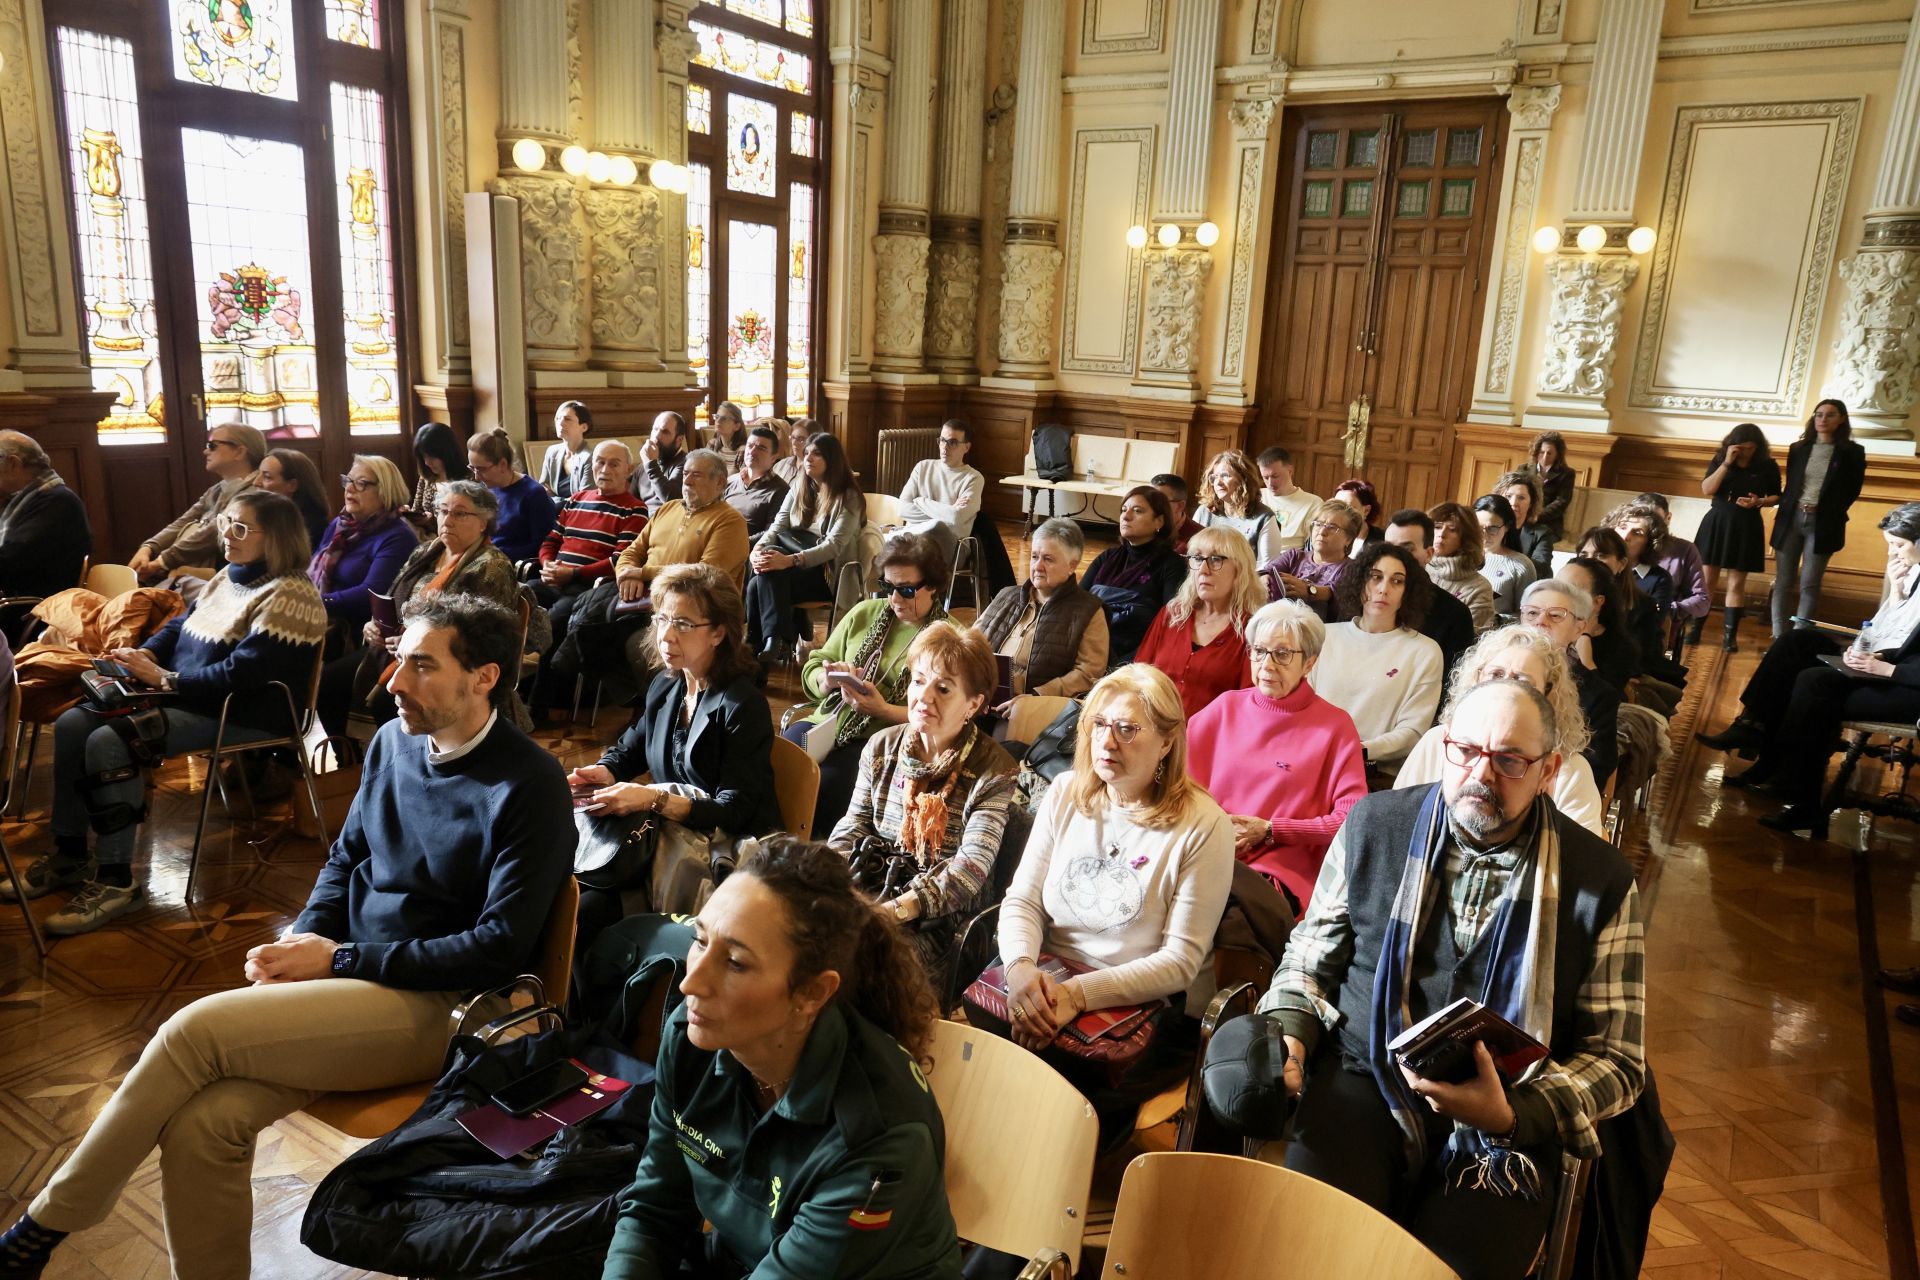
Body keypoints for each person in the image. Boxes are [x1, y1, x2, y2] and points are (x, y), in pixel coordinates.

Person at [0, 592, 571, 1280]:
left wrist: (340, 957)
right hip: (356, 979)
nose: (393, 681)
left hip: (449, 1006)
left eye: (422, 665)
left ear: (484, 677)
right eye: (398, 659)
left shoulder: (530, 782)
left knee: (193, 1031)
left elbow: (499, 946)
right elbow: (346, 858)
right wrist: (305, 936)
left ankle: (42, 1229)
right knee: (204, 1125)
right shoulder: (394, 742)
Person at [1251, 678, 1644, 1280]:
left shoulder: (1601, 879)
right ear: (1444, 747)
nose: (1480, 774)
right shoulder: (1374, 825)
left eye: (1509, 760)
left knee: (1446, 1271)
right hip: (1365, 1080)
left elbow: (1617, 1059)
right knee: (1318, 1253)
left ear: (1548, 771)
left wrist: (1514, 1115)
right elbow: (1309, 959)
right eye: (1465, 751)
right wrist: (1292, 1029)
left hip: (1508, 1124)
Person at [601, 840, 962, 1279]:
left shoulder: (878, 1138)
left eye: (735, 963)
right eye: (700, 940)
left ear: (811, 993)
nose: (689, 984)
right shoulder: (692, 1037)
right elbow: (654, 1210)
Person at [4, 491, 326, 937]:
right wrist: (145, 655)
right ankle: (70, 852)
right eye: (225, 522)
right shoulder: (227, 576)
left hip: (244, 712)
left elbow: (243, 674)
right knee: (74, 723)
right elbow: (179, 626)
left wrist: (165, 679)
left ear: (277, 537)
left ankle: (116, 880)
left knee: (111, 741)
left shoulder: (291, 593)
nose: (227, 534)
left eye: (240, 527)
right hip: (189, 696)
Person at [997, 664, 1235, 1146]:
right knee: (984, 1072)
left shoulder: (1205, 825)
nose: (1107, 742)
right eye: (1099, 724)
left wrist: (1076, 997)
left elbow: (1178, 964)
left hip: (1151, 1006)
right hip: (1049, 977)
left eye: (1128, 729)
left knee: (1057, 1112)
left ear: (1167, 742)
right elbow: (1022, 900)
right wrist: (1020, 968)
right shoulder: (1066, 792)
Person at [567, 563, 779, 938]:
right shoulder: (666, 686)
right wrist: (604, 772)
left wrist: (653, 799)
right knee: (568, 892)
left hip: (722, 856)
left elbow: (735, 812)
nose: (665, 635)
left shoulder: (744, 704)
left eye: (683, 624)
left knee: (585, 914)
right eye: (662, 619)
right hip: (668, 842)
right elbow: (631, 747)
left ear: (718, 633)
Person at [828, 622, 1018, 988]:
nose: (923, 696)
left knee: (856, 963)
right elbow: (853, 826)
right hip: (872, 887)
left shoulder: (994, 770)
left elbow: (968, 872)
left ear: (974, 704)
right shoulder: (882, 747)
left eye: (943, 688)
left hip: (941, 921)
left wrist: (891, 912)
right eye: (918, 681)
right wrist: (832, 881)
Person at [1700, 503, 1920, 772]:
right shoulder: (1911, 569)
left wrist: (1882, 662)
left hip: (1895, 672)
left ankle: (1774, 764)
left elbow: (1904, 644)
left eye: (1898, 545)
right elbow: (1886, 629)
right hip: (1875, 655)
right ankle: (1750, 725)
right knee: (1795, 641)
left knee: (1806, 678)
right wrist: (1896, 593)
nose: (1891, 552)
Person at [1187, 601, 1367, 911]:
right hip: (1204, 852)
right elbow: (1178, 790)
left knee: (1221, 917)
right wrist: (1215, 830)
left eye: (1282, 654)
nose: (1267, 665)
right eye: (1259, 651)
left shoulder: (1335, 727)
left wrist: (1272, 830)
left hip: (1277, 875)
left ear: (1309, 663)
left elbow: (1351, 819)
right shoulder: (1223, 709)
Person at [324, 479, 519, 738]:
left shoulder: (492, 566)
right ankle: (353, 756)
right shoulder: (426, 551)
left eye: (459, 514)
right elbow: (391, 595)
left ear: (484, 522)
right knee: (329, 683)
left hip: (449, 658)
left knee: (388, 699)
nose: (447, 520)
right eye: (443, 511)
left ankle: (403, 757)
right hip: (393, 648)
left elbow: (483, 634)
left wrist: (415, 642)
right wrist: (374, 624)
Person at [786, 534, 951, 837]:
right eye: (888, 587)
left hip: (884, 741)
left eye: (906, 590)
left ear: (933, 586)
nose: (895, 599)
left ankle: (811, 854)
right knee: (778, 764)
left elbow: (945, 716)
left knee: (825, 787)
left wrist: (883, 710)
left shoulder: (947, 638)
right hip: (828, 721)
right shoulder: (865, 613)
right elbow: (815, 663)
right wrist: (826, 679)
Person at [1394, 624, 1604, 838]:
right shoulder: (1436, 742)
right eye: (1495, 674)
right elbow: (1397, 822)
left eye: (1522, 681)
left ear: (1549, 694)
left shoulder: (1571, 771)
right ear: (1475, 680)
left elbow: (1582, 852)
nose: (1505, 687)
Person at [1311, 543, 1443, 777]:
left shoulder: (1425, 652)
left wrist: (1356, 751)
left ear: (1408, 592)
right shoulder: (1324, 635)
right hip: (1313, 758)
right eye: (1375, 577)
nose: (1383, 589)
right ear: (1359, 581)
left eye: (1397, 581)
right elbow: (1301, 705)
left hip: (1374, 774)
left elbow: (1412, 732)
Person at [746, 431, 865, 657]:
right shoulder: (799, 486)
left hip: (827, 573)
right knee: (767, 564)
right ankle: (773, 641)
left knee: (762, 577)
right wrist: (757, 550)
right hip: (792, 567)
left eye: (816, 454)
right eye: (807, 452)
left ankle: (758, 642)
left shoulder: (849, 497)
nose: (808, 458)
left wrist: (789, 561)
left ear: (832, 460)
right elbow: (778, 526)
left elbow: (834, 546)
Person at [1133, 526, 1260, 721]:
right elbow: (1138, 676)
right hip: (1152, 727)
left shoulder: (1252, 631)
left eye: (1216, 559)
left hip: (1211, 734)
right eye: (1198, 558)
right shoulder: (1172, 614)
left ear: (1239, 570)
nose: (1203, 569)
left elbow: (1247, 705)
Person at [975, 517, 1108, 702]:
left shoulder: (1089, 611)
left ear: (1072, 565)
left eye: (1048, 559)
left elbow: (1088, 674)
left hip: (1033, 704)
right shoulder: (1007, 595)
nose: (1037, 566)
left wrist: (1037, 696)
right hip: (980, 691)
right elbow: (971, 640)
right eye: (1034, 556)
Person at [1771, 398, 1867, 639]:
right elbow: (1792, 485)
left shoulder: (1852, 452)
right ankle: (1779, 638)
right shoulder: (1798, 448)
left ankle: (1798, 639)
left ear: (1841, 419)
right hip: (1791, 519)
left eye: (1830, 415)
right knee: (1783, 582)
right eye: (1819, 414)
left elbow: (1852, 490)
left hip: (1823, 522)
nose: (1823, 419)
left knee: (1810, 583)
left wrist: (1829, 511)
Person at [533, 440, 650, 635]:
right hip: (552, 579)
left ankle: (534, 654)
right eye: (600, 462)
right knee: (518, 601)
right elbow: (551, 542)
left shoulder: (634, 509)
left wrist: (573, 574)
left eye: (614, 464)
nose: (604, 469)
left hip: (587, 587)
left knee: (551, 621)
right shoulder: (576, 499)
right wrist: (548, 566)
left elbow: (620, 560)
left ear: (628, 470)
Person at [128, 423, 265, 583]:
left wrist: (161, 562)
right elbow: (182, 522)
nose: (205, 451)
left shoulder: (254, 492)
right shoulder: (217, 489)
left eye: (212, 445)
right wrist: (149, 547)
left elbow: (213, 532)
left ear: (239, 452)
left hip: (227, 576)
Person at [1521, 578, 1620, 787]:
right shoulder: (1493, 672)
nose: (1540, 621)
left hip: (1553, 792)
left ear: (1579, 628)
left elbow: (1595, 768)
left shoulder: (1598, 695)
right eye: (1532, 613)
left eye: (1556, 615)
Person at [614, 449, 751, 597]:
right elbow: (632, 552)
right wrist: (627, 575)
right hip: (643, 595)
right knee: (596, 603)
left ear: (720, 482)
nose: (687, 481)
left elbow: (706, 573)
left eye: (696, 475)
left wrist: (644, 574)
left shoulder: (731, 521)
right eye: (685, 474)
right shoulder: (667, 508)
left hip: (693, 603)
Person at [1695, 422, 1781, 653]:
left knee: (1736, 583)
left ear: (1758, 447)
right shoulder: (1720, 459)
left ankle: (1729, 636)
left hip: (1747, 524)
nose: (1745, 452)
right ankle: (1695, 629)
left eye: (1750, 448)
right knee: (1707, 581)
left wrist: (1759, 501)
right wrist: (1726, 462)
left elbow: (1777, 495)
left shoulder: (1767, 465)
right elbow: (1707, 489)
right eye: (1741, 448)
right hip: (1718, 521)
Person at [309, 455, 417, 638]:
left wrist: (314, 602)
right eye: (348, 481)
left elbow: (369, 594)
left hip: (356, 632)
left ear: (385, 491)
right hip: (321, 618)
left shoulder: (398, 537)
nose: (349, 488)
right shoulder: (340, 525)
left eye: (361, 483)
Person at [1082, 485, 1186, 664]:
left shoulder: (1171, 564)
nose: (1126, 516)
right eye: (1124, 510)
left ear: (1159, 521)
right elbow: (1077, 603)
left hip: (1134, 658)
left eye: (1137, 511)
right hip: (1088, 648)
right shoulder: (1107, 557)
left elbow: (1170, 623)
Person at [0, 431, 91, 624]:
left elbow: (10, 561)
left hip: (32, 610)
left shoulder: (58, 502)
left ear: (13, 463)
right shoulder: (23, 501)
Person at [1383, 509, 1475, 685]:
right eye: (1388, 548)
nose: (1394, 557)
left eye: (1406, 549)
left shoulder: (1454, 613)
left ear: (1429, 554)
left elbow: (1452, 683)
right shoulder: (1366, 599)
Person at [1579, 524, 1671, 684]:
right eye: (1583, 554)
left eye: (1601, 555)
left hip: (1614, 678)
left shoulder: (1642, 605)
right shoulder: (1563, 596)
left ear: (1621, 564)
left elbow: (1641, 658)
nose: (1590, 561)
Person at [896, 419, 985, 565]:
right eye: (942, 440)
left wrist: (921, 501)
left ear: (966, 447)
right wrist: (947, 511)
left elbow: (956, 517)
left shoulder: (973, 478)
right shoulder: (922, 467)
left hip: (954, 548)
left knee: (929, 537)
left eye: (953, 442)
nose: (945, 447)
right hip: (913, 540)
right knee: (885, 545)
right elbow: (901, 509)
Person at [467, 427, 557, 564]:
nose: (476, 477)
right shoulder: (487, 488)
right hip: (487, 558)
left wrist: (495, 553)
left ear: (502, 464)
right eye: (472, 468)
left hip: (508, 564)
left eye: (481, 469)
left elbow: (544, 545)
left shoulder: (534, 494)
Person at [1260, 500, 1360, 620]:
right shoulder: (1294, 556)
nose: (1322, 532)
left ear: (1349, 539)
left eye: (1332, 527)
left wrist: (1310, 591)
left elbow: (1337, 594)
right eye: (1318, 524)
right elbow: (1265, 572)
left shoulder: (1354, 569)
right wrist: (1264, 579)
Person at [1636, 491, 1710, 645]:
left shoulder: (1685, 550)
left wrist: (1671, 609)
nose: (1649, 526)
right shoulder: (1623, 546)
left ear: (1668, 518)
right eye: (1641, 519)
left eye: (1655, 519)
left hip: (1662, 625)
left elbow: (1702, 599)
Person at [1559, 555, 1637, 694]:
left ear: (1597, 602)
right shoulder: (1540, 628)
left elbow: (1604, 701)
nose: (1558, 595)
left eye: (1571, 590)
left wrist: (1585, 651)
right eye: (1555, 586)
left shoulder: (1621, 648)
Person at [1192, 448, 1280, 562]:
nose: (1218, 483)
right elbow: (1192, 554)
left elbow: (1267, 566)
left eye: (1225, 476)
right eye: (1214, 477)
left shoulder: (1264, 517)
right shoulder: (1204, 512)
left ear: (1243, 480)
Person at [1425, 502, 1496, 633]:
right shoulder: (1415, 569)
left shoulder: (1480, 588)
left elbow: (1472, 638)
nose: (1442, 534)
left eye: (1452, 529)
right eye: (1437, 527)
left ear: (1466, 538)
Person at [1473, 493, 1538, 624]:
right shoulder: (1459, 557)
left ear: (1507, 526)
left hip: (1496, 633)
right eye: (1478, 528)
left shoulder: (1521, 565)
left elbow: (1527, 615)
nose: (1484, 535)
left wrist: (1497, 620)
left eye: (1492, 528)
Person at [256, 447, 331, 549]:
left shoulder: (312, 529)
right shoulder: (266, 516)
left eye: (267, 477)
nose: (256, 482)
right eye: (258, 474)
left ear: (292, 485)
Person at [723, 424, 790, 538]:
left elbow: (772, 532)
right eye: (750, 446)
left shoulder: (780, 491)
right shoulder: (730, 481)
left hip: (747, 545)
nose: (752, 452)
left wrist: (738, 544)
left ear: (773, 457)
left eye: (761, 448)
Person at [407, 421, 471, 538]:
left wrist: (432, 522)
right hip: (428, 539)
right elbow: (417, 509)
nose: (427, 462)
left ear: (446, 453)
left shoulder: (469, 480)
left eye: (431, 457)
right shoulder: (426, 478)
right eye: (423, 456)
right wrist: (412, 516)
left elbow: (469, 523)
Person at [1257, 446, 1322, 552]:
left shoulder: (1313, 503)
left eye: (1275, 476)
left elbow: (1313, 548)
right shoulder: (1257, 496)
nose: (1270, 483)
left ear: (1290, 471)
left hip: (1290, 558)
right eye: (1265, 477)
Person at [1495, 469, 1555, 582]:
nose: (1513, 503)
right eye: (1508, 496)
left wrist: (1506, 555)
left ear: (1531, 503)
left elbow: (1541, 567)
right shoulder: (1488, 527)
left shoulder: (1542, 533)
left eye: (1521, 498)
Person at [537, 399, 595, 500]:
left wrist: (556, 501)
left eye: (567, 419)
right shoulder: (552, 451)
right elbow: (543, 487)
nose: (560, 423)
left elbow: (584, 499)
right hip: (552, 507)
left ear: (584, 427)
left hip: (579, 509)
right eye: (558, 418)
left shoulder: (590, 457)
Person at [1528, 430, 1576, 542]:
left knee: (1533, 538)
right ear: (1536, 452)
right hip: (1524, 519)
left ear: (1557, 455)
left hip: (1549, 524)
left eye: (1549, 453)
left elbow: (1561, 501)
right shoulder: (1524, 469)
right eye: (1542, 452)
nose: (1545, 457)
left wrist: (1537, 517)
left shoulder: (1566, 474)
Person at [637, 410, 690, 509]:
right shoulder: (644, 465)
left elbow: (671, 500)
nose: (657, 436)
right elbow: (630, 500)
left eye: (665, 432)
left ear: (679, 440)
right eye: (655, 429)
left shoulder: (687, 464)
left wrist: (650, 465)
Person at [1153, 472, 1204, 554]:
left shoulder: (1201, 538)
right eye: (1148, 500)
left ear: (1180, 506)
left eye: (1160, 501)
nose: (1152, 506)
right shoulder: (1143, 529)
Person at [1331, 480, 1385, 554]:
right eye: (1336, 506)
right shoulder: (1327, 534)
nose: (1339, 512)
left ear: (1366, 511)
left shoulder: (1382, 542)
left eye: (1348, 507)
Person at [704, 399, 749, 474]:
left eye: (724, 418)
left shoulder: (743, 451)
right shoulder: (712, 445)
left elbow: (743, 479)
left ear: (737, 426)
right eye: (717, 417)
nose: (718, 421)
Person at [772, 416, 813, 485]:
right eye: (793, 438)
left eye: (800, 439)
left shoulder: (814, 469)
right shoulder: (780, 465)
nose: (794, 443)